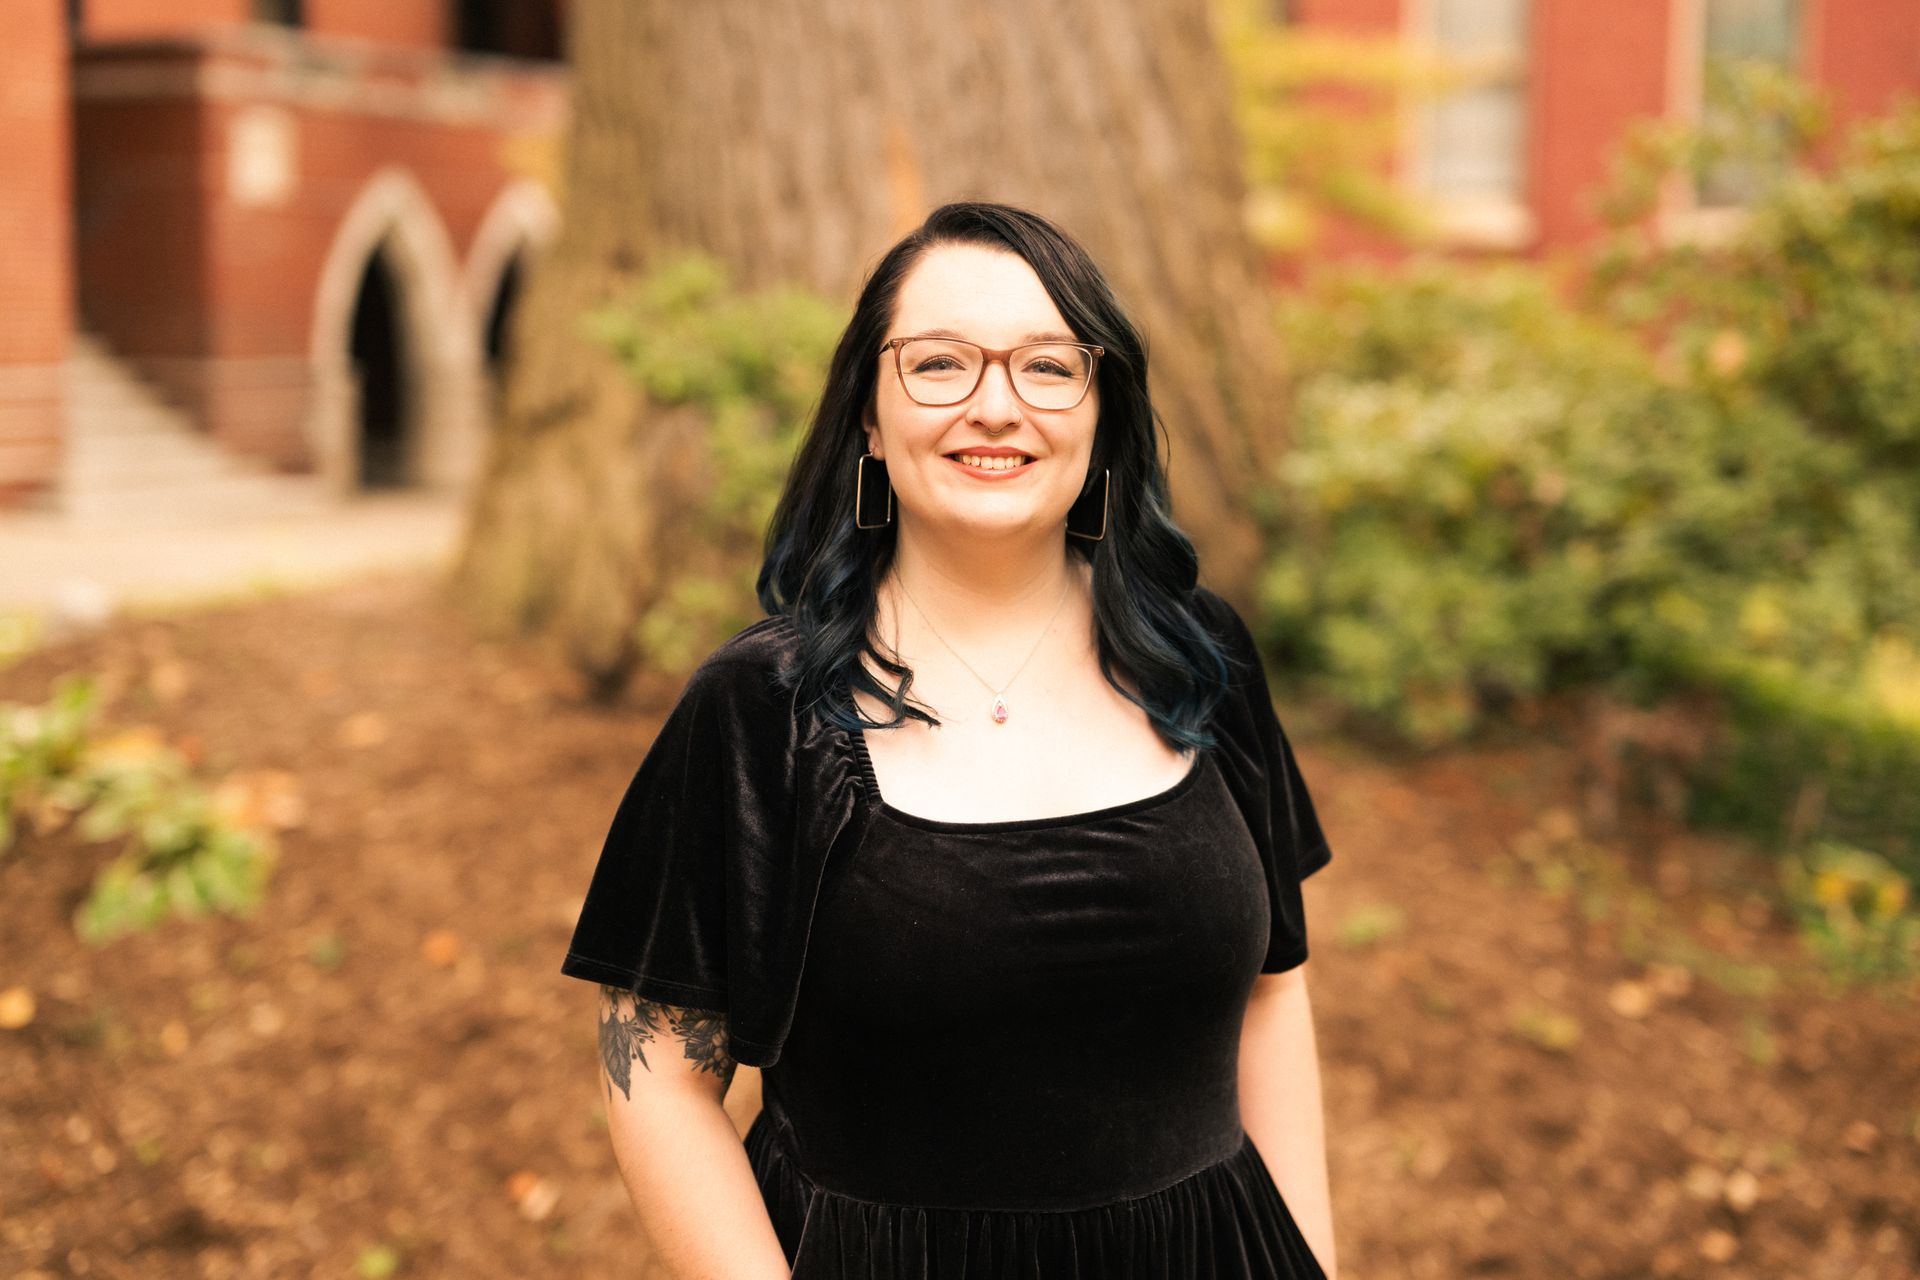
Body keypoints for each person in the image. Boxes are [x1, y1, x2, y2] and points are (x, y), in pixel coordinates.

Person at [560, 201, 1338, 1279]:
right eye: (938, 364)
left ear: (1103, 412)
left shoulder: (1199, 659)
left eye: (1048, 366)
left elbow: (1273, 990)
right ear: (869, 418)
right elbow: (655, 1074)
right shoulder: (762, 708)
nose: (996, 406)